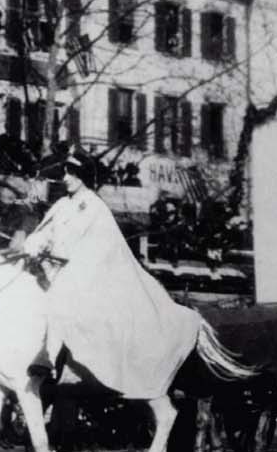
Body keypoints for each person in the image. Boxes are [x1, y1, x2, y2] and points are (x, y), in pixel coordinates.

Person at [20, 155, 199, 398]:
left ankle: (48, 357)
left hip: (86, 274)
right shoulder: (62, 204)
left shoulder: (94, 206)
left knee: (60, 296)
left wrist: (55, 255)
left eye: (73, 173)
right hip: (54, 270)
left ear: (84, 177)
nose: (66, 178)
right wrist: (34, 244)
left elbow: (96, 248)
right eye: (66, 173)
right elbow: (46, 231)